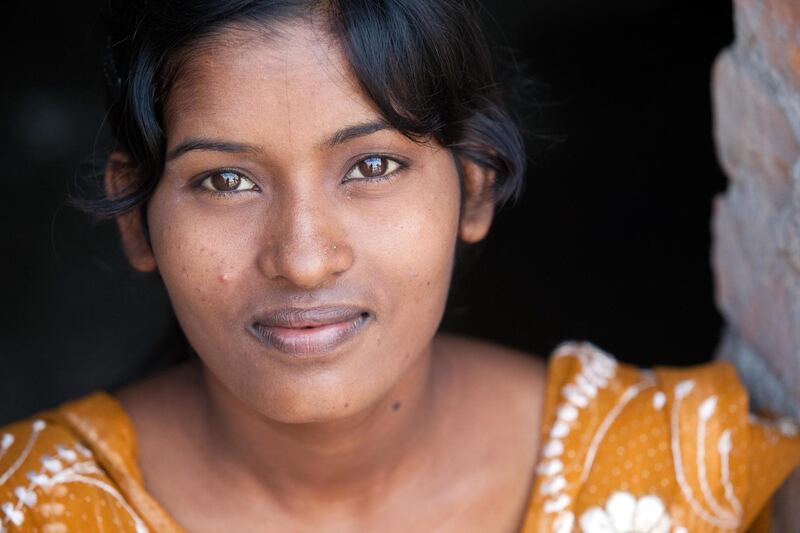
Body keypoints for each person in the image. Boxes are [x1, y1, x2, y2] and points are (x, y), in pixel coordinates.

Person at [1, 1, 798, 532]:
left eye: (372, 166)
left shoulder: (683, 478)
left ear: (474, 187)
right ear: (138, 216)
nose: (305, 259)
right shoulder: (34, 505)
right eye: (225, 180)